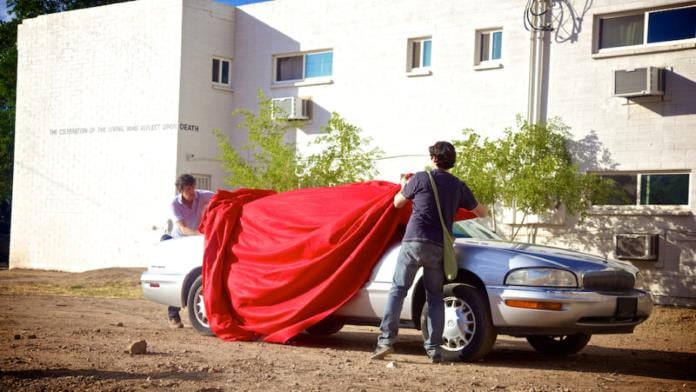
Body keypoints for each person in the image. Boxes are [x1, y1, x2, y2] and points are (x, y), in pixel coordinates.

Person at [371, 141, 487, 363]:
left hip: (413, 242)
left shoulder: (421, 178)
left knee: (398, 290)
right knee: (434, 297)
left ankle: (386, 341)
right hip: (438, 247)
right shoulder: (458, 185)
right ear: (451, 162)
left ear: (433, 159)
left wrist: (402, 184)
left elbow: (397, 203)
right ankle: (434, 349)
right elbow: (480, 212)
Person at [165, 174, 214, 328]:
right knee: (179, 276)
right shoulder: (175, 204)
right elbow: (183, 228)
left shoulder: (201, 195)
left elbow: (220, 197)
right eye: (188, 189)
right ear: (181, 190)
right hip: (179, 242)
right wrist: (202, 235)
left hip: (195, 240)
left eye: (193, 187)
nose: (192, 191)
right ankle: (173, 315)